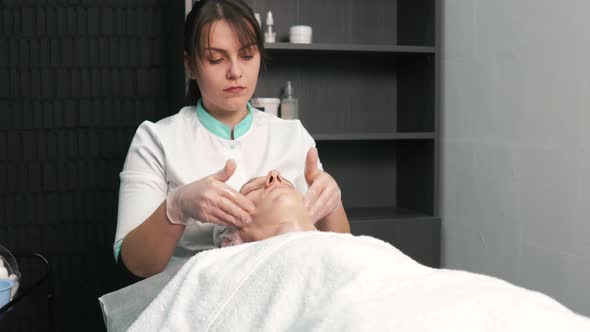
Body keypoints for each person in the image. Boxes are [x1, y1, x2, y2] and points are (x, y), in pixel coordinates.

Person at [114, 0, 350, 278]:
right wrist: (176, 208)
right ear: (190, 64)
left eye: (247, 55)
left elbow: (340, 251)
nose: (235, 72)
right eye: (216, 59)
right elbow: (136, 263)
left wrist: (332, 202)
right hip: (187, 301)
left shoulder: (293, 136)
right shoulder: (157, 140)